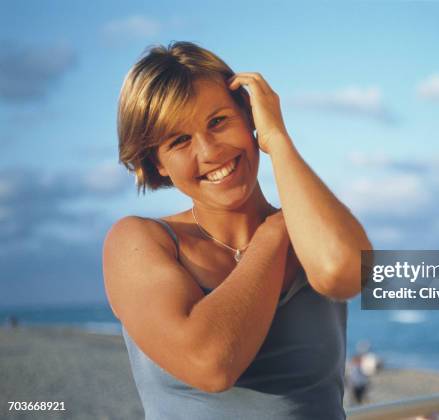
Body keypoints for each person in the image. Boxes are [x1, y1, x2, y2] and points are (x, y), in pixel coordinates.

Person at [102, 41, 371, 419]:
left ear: (249, 117)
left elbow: (345, 273)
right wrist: (274, 231)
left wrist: (277, 138)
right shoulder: (139, 241)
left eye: (218, 122)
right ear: (156, 162)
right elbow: (211, 364)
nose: (210, 151)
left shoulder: (310, 230)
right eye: (179, 141)